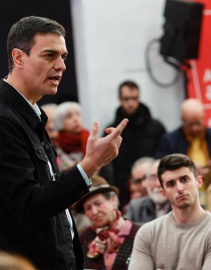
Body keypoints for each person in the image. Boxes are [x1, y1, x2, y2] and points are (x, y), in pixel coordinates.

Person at [0, 16, 128, 270]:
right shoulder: (5, 120)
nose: (61, 66)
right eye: (49, 56)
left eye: (64, 56)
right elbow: (30, 206)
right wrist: (89, 166)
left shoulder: (30, 114)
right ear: (18, 58)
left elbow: (48, 196)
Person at [129, 154, 211, 270]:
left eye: (184, 179)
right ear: (163, 193)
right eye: (171, 184)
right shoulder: (148, 233)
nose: (180, 188)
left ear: (199, 181)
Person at [105, 80, 166, 206]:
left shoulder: (156, 127)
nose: (131, 103)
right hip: (123, 191)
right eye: (126, 99)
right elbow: (107, 166)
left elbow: (164, 157)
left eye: (134, 98)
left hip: (154, 184)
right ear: (119, 99)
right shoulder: (112, 130)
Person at [75, 175, 140, 270]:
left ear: (114, 201)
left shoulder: (138, 233)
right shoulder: (84, 237)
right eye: (88, 208)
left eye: (98, 204)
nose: (94, 212)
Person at [156, 98, 211, 177]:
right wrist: (186, 167)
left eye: (198, 123)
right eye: (190, 125)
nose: (195, 128)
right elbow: (161, 167)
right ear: (182, 120)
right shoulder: (169, 141)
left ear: (203, 117)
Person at [124, 159, 171, 225]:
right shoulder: (136, 206)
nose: (158, 184)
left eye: (161, 177)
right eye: (152, 177)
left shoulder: (181, 205)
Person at [53, 101, 90, 172]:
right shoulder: (54, 147)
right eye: (69, 116)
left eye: (78, 114)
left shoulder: (89, 139)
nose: (76, 119)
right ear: (60, 122)